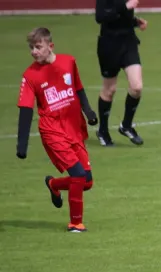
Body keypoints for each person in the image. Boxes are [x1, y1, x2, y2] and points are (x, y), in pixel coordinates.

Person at [16, 28, 98, 232]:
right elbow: (26, 109)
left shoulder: (68, 61)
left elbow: (78, 88)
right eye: (31, 48)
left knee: (86, 182)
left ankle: (54, 184)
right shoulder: (29, 75)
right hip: (52, 131)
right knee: (78, 174)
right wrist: (22, 143)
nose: (34, 52)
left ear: (50, 46)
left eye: (38, 47)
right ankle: (75, 223)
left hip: (73, 128)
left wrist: (88, 111)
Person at [95, 0, 148, 146]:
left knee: (136, 87)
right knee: (109, 89)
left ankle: (126, 126)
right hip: (109, 44)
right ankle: (103, 131)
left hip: (128, 42)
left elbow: (123, 17)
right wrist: (125, 7)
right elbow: (100, 17)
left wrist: (136, 22)